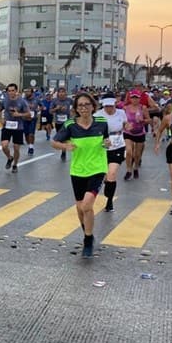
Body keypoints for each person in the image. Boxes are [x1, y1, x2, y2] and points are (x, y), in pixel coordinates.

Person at [51, 92, 111, 258]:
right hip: (77, 170)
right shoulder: (70, 125)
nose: (84, 108)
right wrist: (65, 147)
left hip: (97, 169)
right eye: (80, 105)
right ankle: (87, 231)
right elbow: (54, 142)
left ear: (93, 106)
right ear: (76, 109)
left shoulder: (101, 122)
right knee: (80, 207)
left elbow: (106, 140)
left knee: (86, 206)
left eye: (87, 104)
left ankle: (88, 240)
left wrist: (107, 143)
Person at [94, 92, 128, 212]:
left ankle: (109, 201)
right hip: (102, 148)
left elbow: (125, 125)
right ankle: (107, 183)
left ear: (115, 103)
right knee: (106, 174)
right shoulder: (97, 115)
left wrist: (128, 127)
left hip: (118, 146)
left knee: (112, 173)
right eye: (106, 106)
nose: (108, 108)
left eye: (111, 106)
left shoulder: (121, 113)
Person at [0, 83, 31, 172]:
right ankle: (9, 158)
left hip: (18, 127)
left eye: (13, 91)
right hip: (7, 126)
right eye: (9, 91)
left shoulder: (22, 101)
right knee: (4, 146)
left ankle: (15, 165)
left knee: (16, 148)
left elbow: (28, 114)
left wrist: (19, 114)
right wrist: (1, 119)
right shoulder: (5, 100)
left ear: (16, 91)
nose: (11, 93)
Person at [122, 90, 150, 180]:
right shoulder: (125, 108)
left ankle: (136, 168)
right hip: (128, 132)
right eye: (133, 97)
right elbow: (122, 120)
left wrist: (143, 120)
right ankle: (128, 170)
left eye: (136, 98)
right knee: (129, 152)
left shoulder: (143, 108)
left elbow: (149, 120)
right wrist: (125, 125)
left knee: (137, 154)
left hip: (139, 133)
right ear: (130, 98)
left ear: (139, 98)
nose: (135, 100)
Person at [51, 87, 74, 161]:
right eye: (60, 92)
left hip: (66, 122)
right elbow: (50, 111)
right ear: (58, 93)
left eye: (63, 92)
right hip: (58, 122)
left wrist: (71, 111)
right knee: (59, 138)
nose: (61, 93)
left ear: (65, 93)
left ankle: (63, 152)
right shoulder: (54, 101)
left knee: (64, 137)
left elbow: (76, 107)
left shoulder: (69, 100)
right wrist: (56, 109)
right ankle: (63, 149)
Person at [22, 88, 39, 155]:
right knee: (26, 135)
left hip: (33, 119)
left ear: (32, 92)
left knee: (31, 134)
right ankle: (29, 145)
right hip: (24, 119)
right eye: (25, 91)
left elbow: (42, 106)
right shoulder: (23, 100)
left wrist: (38, 110)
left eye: (28, 91)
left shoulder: (36, 99)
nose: (26, 93)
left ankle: (31, 147)